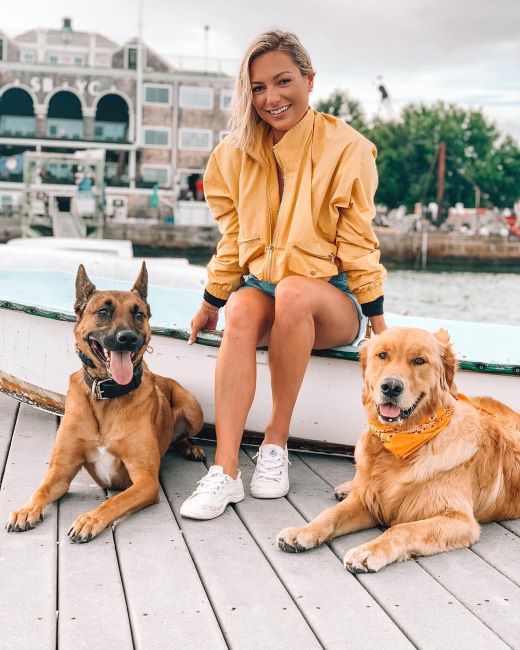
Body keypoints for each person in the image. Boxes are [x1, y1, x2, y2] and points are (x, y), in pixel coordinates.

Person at [180, 30, 387, 520]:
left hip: (330, 299)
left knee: (294, 290)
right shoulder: (232, 156)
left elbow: (358, 244)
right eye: (257, 88)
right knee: (244, 306)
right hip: (263, 289)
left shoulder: (346, 148)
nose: (271, 99)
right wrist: (211, 303)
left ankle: (275, 443)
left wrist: (382, 334)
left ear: (309, 80)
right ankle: (226, 470)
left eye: (283, 81)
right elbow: (233, 242)